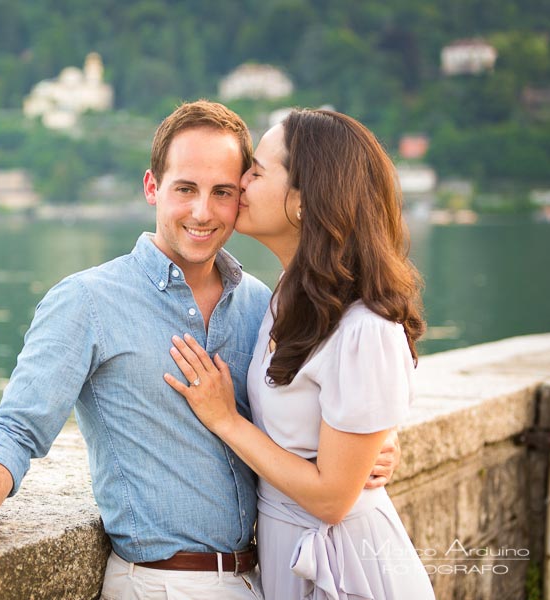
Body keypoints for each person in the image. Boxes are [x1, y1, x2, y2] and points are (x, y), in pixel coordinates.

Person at [0, 101, 399, 599]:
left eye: (222, 192)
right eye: (185, 189)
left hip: (265, 578)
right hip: (162, 585)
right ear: (151, 187)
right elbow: (14, 427)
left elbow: (309, 412)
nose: (202, 212)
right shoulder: (87, 301)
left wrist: (371, 449)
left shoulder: (262, 305)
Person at [165, 108, 434, 599]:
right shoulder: (286, 297)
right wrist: (373, 443)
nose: (239, 182)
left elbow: (332, 499)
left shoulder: (364, 327)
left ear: (305, 202)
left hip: (347, 565)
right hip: (287, 552)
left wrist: (226, 420)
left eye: (257, 171)